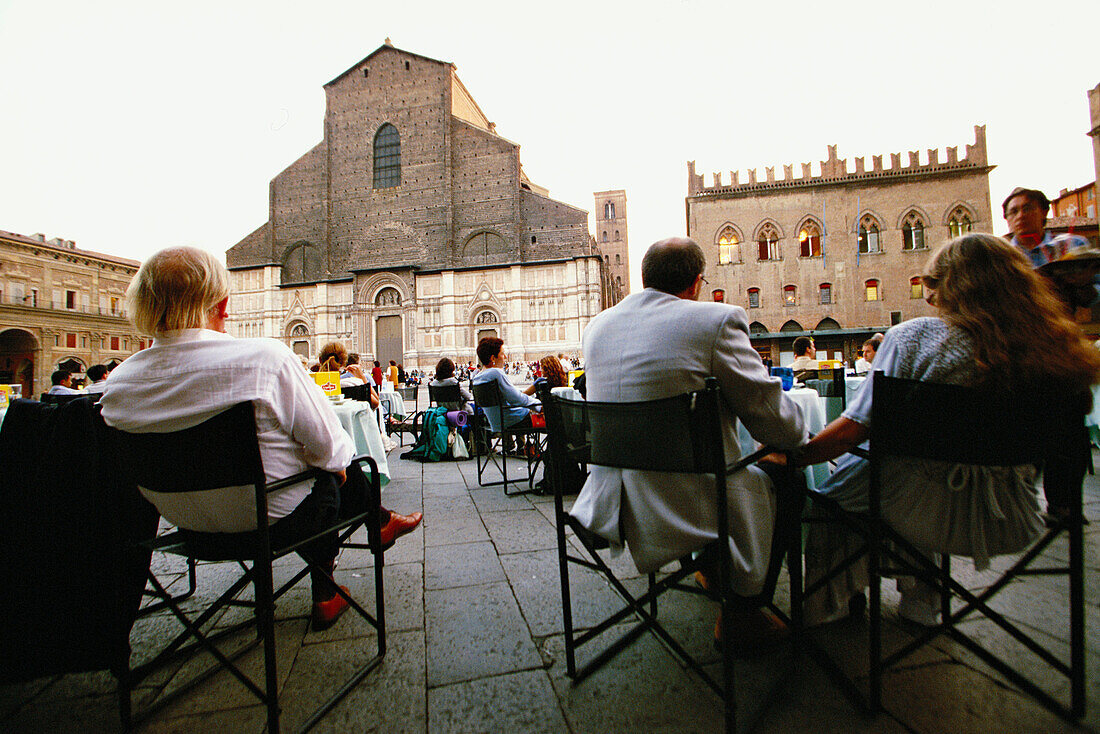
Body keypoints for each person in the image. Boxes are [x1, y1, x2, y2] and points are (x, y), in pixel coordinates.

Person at [100, 247, 422, 631]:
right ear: (221, 305)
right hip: (278, 525)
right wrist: (330, 464)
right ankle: (341, 572)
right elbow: (330, 447)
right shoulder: (264, 359)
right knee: (333, 471)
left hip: (187, 534)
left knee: (321, 469)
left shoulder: (116, 385)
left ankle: (374, 532)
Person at [787, 234, 1100, 625]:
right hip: (1010, 512)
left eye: (933, 284)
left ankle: (823, 605)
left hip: (919, 505)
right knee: (898, 476)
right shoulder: (1054, 348)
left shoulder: (913, 337)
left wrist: (796, 456)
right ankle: (923, 605)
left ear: (957, 285)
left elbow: (855, 430)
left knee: (840, 494)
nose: (930, 297)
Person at [571, 237, 807, 652]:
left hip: (613, 500)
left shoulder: (596, 327)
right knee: (787, 472)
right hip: (690, 501)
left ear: (644, 280)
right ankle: (742, 612)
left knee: (728, 464)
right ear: (697, 283)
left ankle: (714, 570)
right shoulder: (714, 322)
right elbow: (778, 424)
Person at [1003, 186, 1100, 314]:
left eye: (1027, 209)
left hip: (1063, 327)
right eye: (1014, 211)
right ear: (1007, 219)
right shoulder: (1001, 254)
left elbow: (1094, 294)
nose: (1021, 215)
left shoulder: (1073, 244)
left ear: (1044, 212)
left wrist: (1083, 285)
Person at [470, 337, 540, 434]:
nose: (505, 357)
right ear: (493, 358)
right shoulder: (496, 373)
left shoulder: (477, 378)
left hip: (495, 423)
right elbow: (516, 398)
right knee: (552, 418)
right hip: (512, 421)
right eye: (502, 354)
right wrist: (538, 405)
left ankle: (526, 447)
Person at [319, 341, 379, 409]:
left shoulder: (315, 387)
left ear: (320, 360)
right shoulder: (354, 383)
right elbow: (376, 403)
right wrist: (362, 378)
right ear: (344, 361)